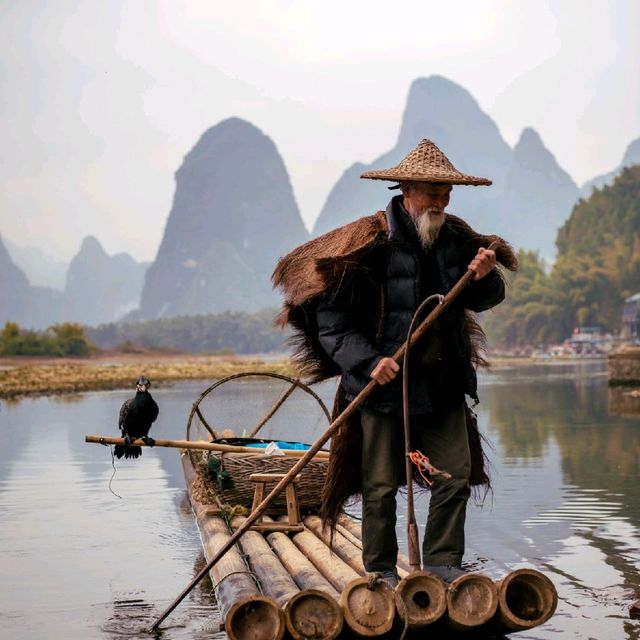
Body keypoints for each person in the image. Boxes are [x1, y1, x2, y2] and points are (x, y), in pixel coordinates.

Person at [272, 139, 516, 587]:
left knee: (455, 476)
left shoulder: (457, 239)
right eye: (431, 192)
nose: (440, 202)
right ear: (405, 188)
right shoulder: (367, 244)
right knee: (380, 486)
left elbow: (487, 297)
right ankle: (380, 573)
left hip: (442, 384)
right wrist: (370, 362)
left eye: (446, 194)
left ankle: (443, 566)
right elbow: (333, 323)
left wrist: (485, 276)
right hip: (383, 388)